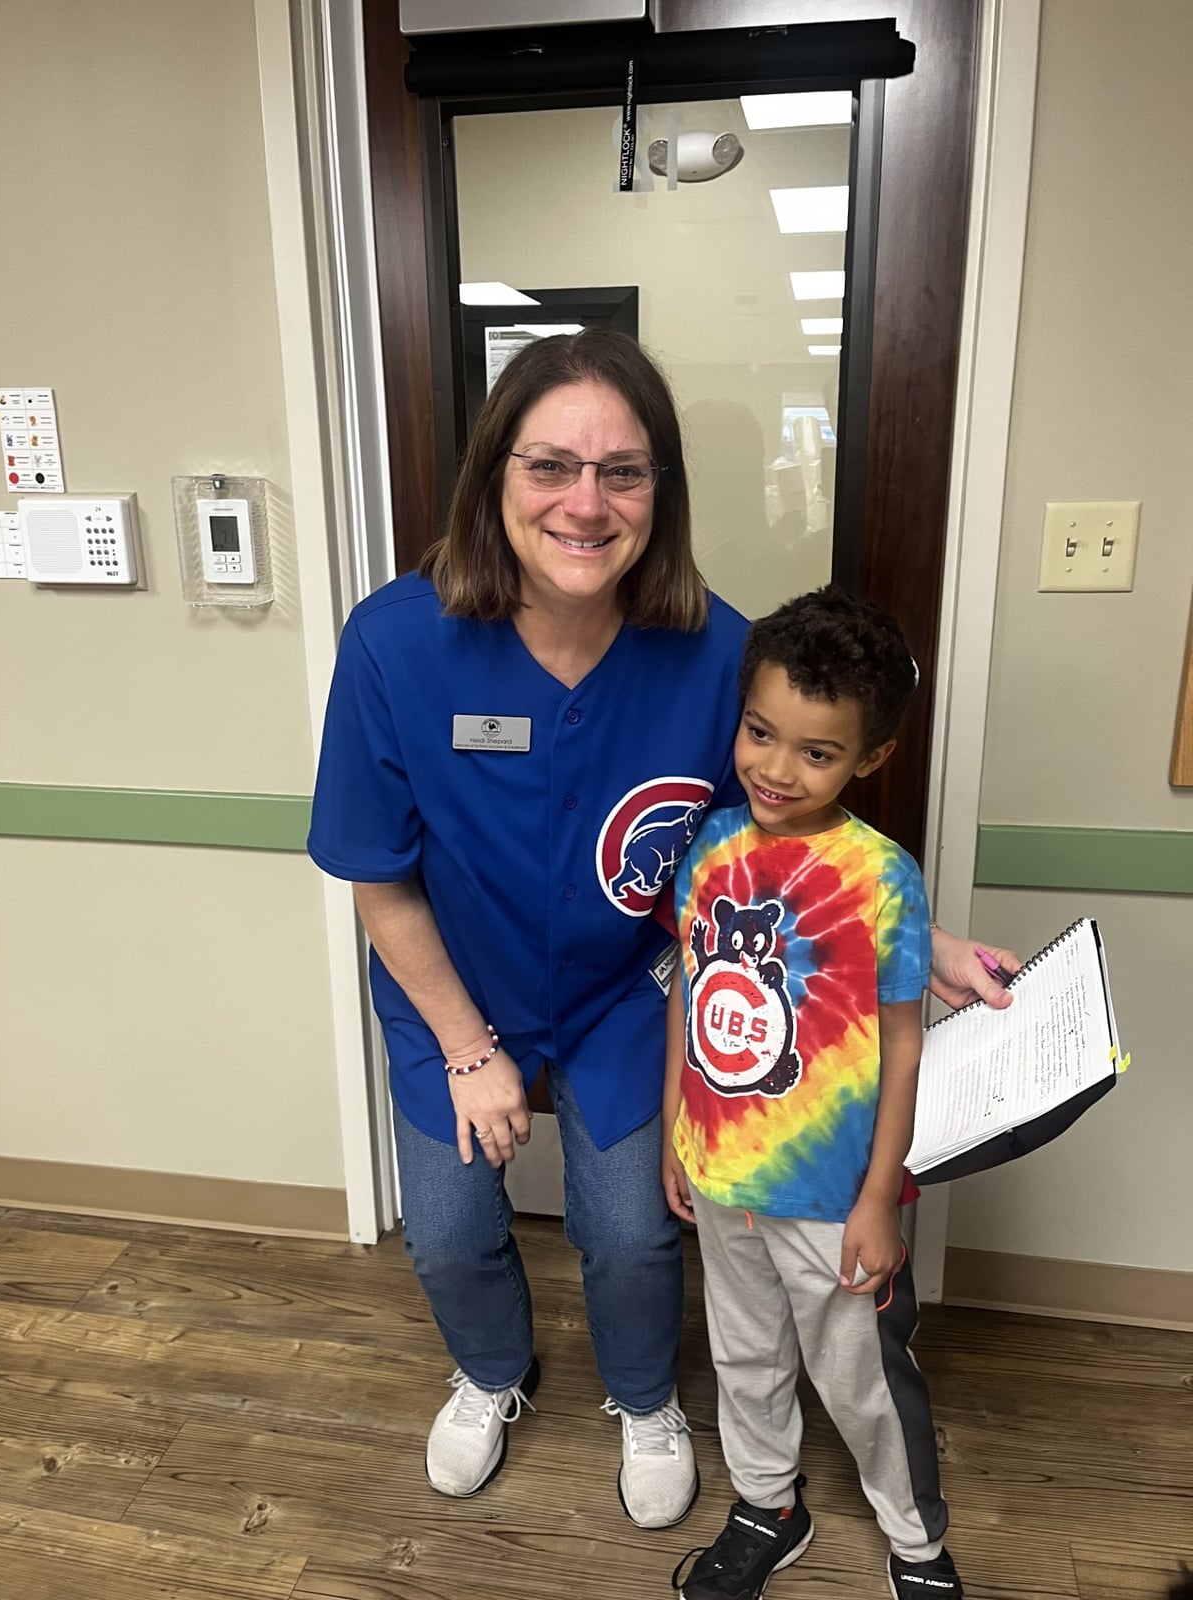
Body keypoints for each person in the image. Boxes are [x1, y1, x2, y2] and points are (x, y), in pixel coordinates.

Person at [306, 330, 1017, 1534]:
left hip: (627, 991)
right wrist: (471, 1050)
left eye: (624, 471)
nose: (587, 502)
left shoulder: (711, 654)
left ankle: (644, 1399)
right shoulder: (394, 642)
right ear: (495, 479)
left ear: (661, 492)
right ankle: (492, 1372)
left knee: (635, 1226)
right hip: (450, 993)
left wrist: (928, 944)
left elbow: (785, 830)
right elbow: (379, 878)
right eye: (551, 466)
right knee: (447, 1226)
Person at [664, 587, 965, 1600]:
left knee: (865, 1383)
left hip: (835, 1200)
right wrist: (677, 1128)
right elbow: (691, 994)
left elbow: (906, 1045)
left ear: (870, 758)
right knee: (743, 1357)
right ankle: (767, 1502)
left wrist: (880, 1196)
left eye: (816, 751)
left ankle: (918, 1544)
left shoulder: (884, 879)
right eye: (759, 732)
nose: (776, 768)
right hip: (721, 1176)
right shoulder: (707, 848)